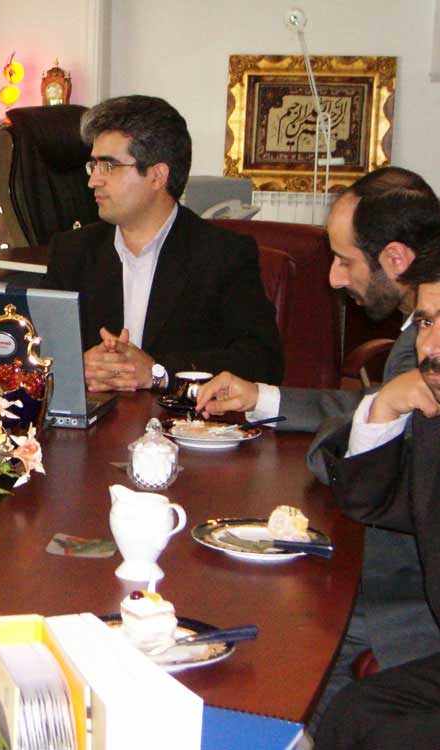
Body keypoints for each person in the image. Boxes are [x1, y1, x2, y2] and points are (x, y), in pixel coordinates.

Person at [194, 167, 440, 731]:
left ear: (396, 259)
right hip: (381, 560)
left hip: (396, 598)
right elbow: (366, 407)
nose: (331, 278)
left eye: (344, 260)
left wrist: (355, 424)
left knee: (259, 644)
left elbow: (352, 450)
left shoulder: (427, 352)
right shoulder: (418, 335)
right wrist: (266, 398)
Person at [42, 94, 283, 393]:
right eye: (94, 166)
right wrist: (75, 365)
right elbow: (35, 347)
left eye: (109, 166)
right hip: (95, 418)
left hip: (180, 419)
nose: (93, 181)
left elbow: (263, 361)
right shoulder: (72, 251)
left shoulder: (222, 254)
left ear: (157, 176)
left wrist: (158, 372)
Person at [315, 244, 440, 750]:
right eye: (427, 322)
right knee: (350, 714)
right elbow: (372, 503)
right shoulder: (433, 409)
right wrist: (384, 405)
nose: (432, 346)